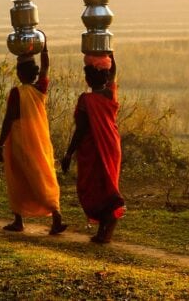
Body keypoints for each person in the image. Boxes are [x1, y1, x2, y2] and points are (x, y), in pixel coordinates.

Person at [0, 38, 66, 235]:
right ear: (34, 73)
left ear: (18, 73)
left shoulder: (17, 93)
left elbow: (9, 119)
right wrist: (44, 47)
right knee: (42, 174)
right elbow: (46, 68)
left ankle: (18, 220)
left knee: (18, 178)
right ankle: (56, 215)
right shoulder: (40, 89)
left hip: (19, 141)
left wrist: (0, 144)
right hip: (40, 140)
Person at [61, 51, 125, 244]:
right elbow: (113, 72)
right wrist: (110, 52)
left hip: (94, 149)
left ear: (89, 78)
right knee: (107, 185)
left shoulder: (86, 100)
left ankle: (107, 228)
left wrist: (69, 153)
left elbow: (80, 130)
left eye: (88, 74)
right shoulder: (109, 93)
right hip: (111, 145)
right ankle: (105, 229)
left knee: (94, 187)